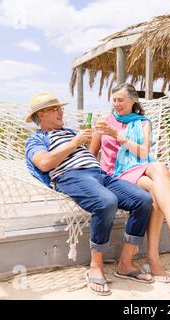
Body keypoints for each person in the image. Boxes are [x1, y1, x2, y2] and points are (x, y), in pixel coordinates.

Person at [24, 92, 154, 296]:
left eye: (61, 108)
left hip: (100, 174)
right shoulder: (37, 139)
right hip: (72, 176)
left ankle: (125, 265)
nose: (61, 111)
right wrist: (75, 143)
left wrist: (96, 135)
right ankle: (96, 266)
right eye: (55, 108)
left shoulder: (69, 132)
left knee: (143, 200)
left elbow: (94, 151)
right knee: (106, 201)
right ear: (41, 115)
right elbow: (44, 163)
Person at [90, 83, 170, 283]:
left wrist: (118, 137)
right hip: (113, 175)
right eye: (114, 100)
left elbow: (144, 153)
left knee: (160, 170)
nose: (116, 104)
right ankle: (155, 257)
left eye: (120, 99)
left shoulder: (143, 122)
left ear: (133, 100)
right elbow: (92, 154)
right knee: (158, 179)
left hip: (137, 167)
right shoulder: (103, 122)